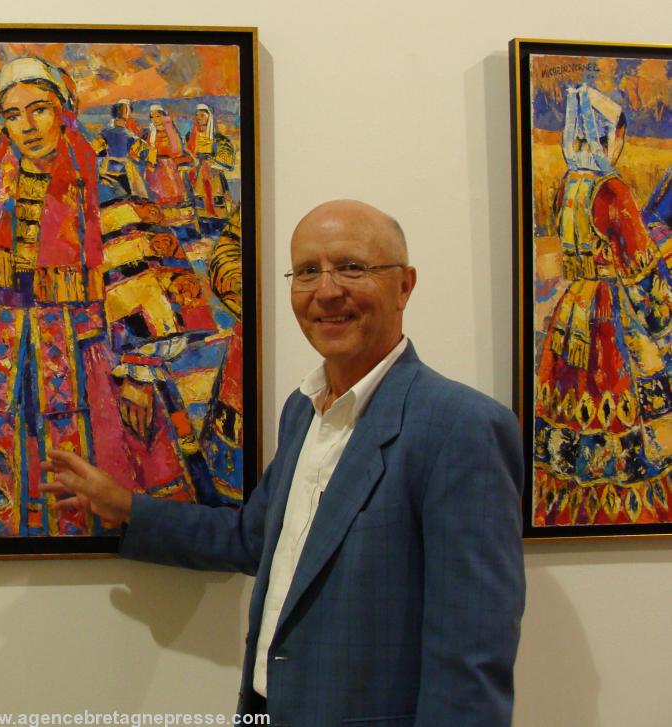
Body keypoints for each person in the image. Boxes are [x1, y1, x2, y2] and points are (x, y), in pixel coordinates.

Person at [44, 200, 526, 725]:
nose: (327, 291)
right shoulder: (303, 410)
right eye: (308, 272)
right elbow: (255, 540)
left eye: (352, 267)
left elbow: (472, 660)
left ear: (405, 286)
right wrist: (128, 508)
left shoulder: (463, 429)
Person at [0, 57, 218, 538]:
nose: (26, 126)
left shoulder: (100, 192)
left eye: (38, 109)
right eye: (13, 115)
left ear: (63, 111)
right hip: (1, 365)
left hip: (92, 362)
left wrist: (140, 376)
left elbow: (136, 285)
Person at [534, 85, 672, 527]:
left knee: (569, 397)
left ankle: (566, 492)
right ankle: (620, 500)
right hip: (609, 314)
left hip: (573, 307)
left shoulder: (569, 184)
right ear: (607, 135)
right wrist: (661, 313)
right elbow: (637, 263)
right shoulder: (611, 190)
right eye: (618, 133)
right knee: (614, 397)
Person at [186, 103, 235, 235]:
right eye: (197, 115)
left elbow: (227, 160)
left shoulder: (219, 138)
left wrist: (212, 162)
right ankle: (204, 231)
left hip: (214, 177)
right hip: (198, 176)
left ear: (209, 116)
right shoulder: (190, 137)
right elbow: (187, 154)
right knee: (199, 202)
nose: (199, 118)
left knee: (217, 202)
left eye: (202, 115)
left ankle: (219, 230)